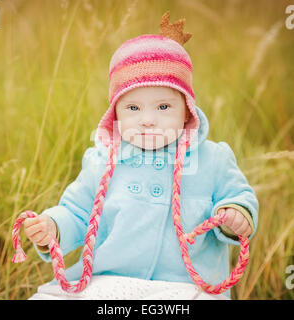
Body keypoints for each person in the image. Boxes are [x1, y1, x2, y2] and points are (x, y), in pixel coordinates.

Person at [25, 11, 258, 300]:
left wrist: (236, 215)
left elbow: (239, 196)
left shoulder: (212, 159)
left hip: (188, 286)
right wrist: (53, 228)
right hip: (109, 282)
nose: (147, 120)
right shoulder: (102, 160)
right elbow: (78, 211)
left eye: (163, 107)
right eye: (133, 108)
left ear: (187, 109)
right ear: (115, 114)